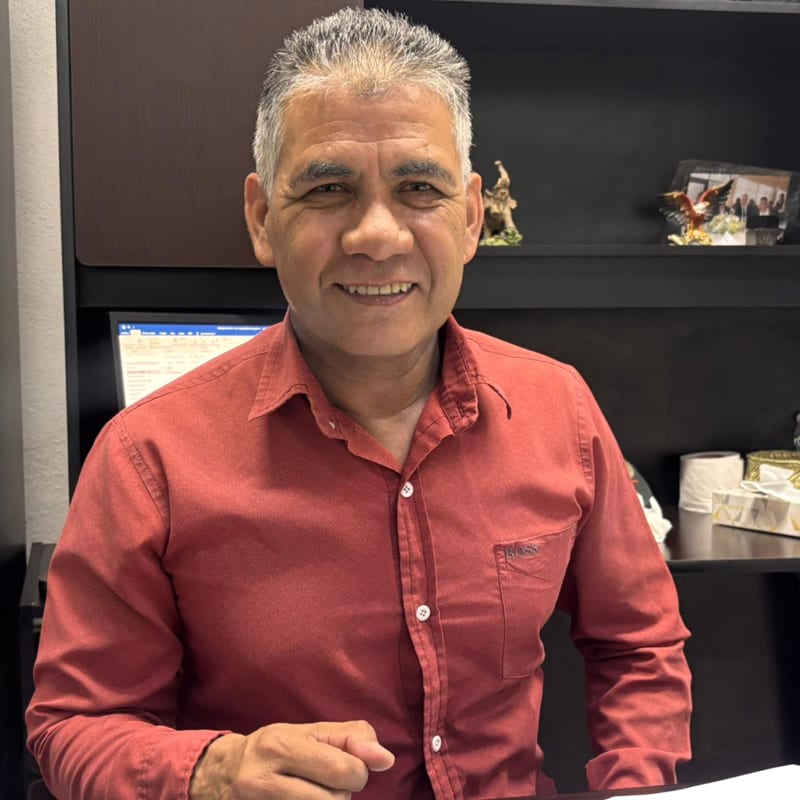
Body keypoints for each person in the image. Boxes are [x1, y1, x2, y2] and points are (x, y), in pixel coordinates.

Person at [26, 8, 692, 800]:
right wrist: (211, 771)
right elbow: (74, 724)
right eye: (329, 189)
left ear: (471, 217)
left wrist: (639, 784)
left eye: (419, 189)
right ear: (262, 219)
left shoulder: (559, 407)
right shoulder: (149, 457)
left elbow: (639, 643)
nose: (377, 235)